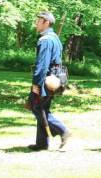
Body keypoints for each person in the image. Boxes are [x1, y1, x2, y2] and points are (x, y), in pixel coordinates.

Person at [27, 11, 71, 151]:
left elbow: (42, 64)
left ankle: (63, 130)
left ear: (46, 22)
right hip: (54, 77)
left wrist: (36, 83)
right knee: (41, 108)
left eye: (39, 20)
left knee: (37, 107)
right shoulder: (54, 37)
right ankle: (41, 143)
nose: (36, 23)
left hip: (47, 79)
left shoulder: (46, 40)